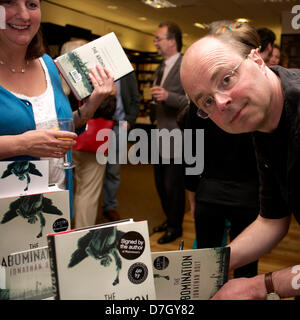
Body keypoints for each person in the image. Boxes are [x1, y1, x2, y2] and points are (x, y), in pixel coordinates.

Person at [180, 21, 300, 299]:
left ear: (257, 58)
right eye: (206, 102)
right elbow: (272, 221)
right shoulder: (265, 125)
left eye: (226, 79)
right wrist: (206, 265)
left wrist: (260, 286)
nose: (220, 102)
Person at [0, 0, 114, 221]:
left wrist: (93, 103)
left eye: (32, 4)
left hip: (55, 202)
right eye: (9, 2)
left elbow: (58, 126)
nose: (23, 15)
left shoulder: (47, 64)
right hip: (9, 216)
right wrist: (22, 144)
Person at [60, 39, 117, 228]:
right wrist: (111, 93)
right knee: (88, 191)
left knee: (61, 188)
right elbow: (108, 110)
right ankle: (82, 235)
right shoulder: (94, 79)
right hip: (92, 143)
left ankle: (59, 231)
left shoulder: (54, 80)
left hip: (62, 140)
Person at [151, 21, 189, 244]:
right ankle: (169, 219)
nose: (155, 43)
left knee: (172, 185)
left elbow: (195, 101)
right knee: (159, 183)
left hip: (177, 136)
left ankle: (176, 227)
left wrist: (169, 97)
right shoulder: (160, 67)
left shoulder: (186, 65)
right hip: (159, 134)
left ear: (172, 41)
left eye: (159, 39)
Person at [101, 72, 140, 221]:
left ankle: (109, 206)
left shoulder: (127, 73)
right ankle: (90, 205)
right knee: (94, 171)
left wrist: (129, 122)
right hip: (99, 126)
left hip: (120, 127)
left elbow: (136, 99)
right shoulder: (98, 71)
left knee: (114, 171)